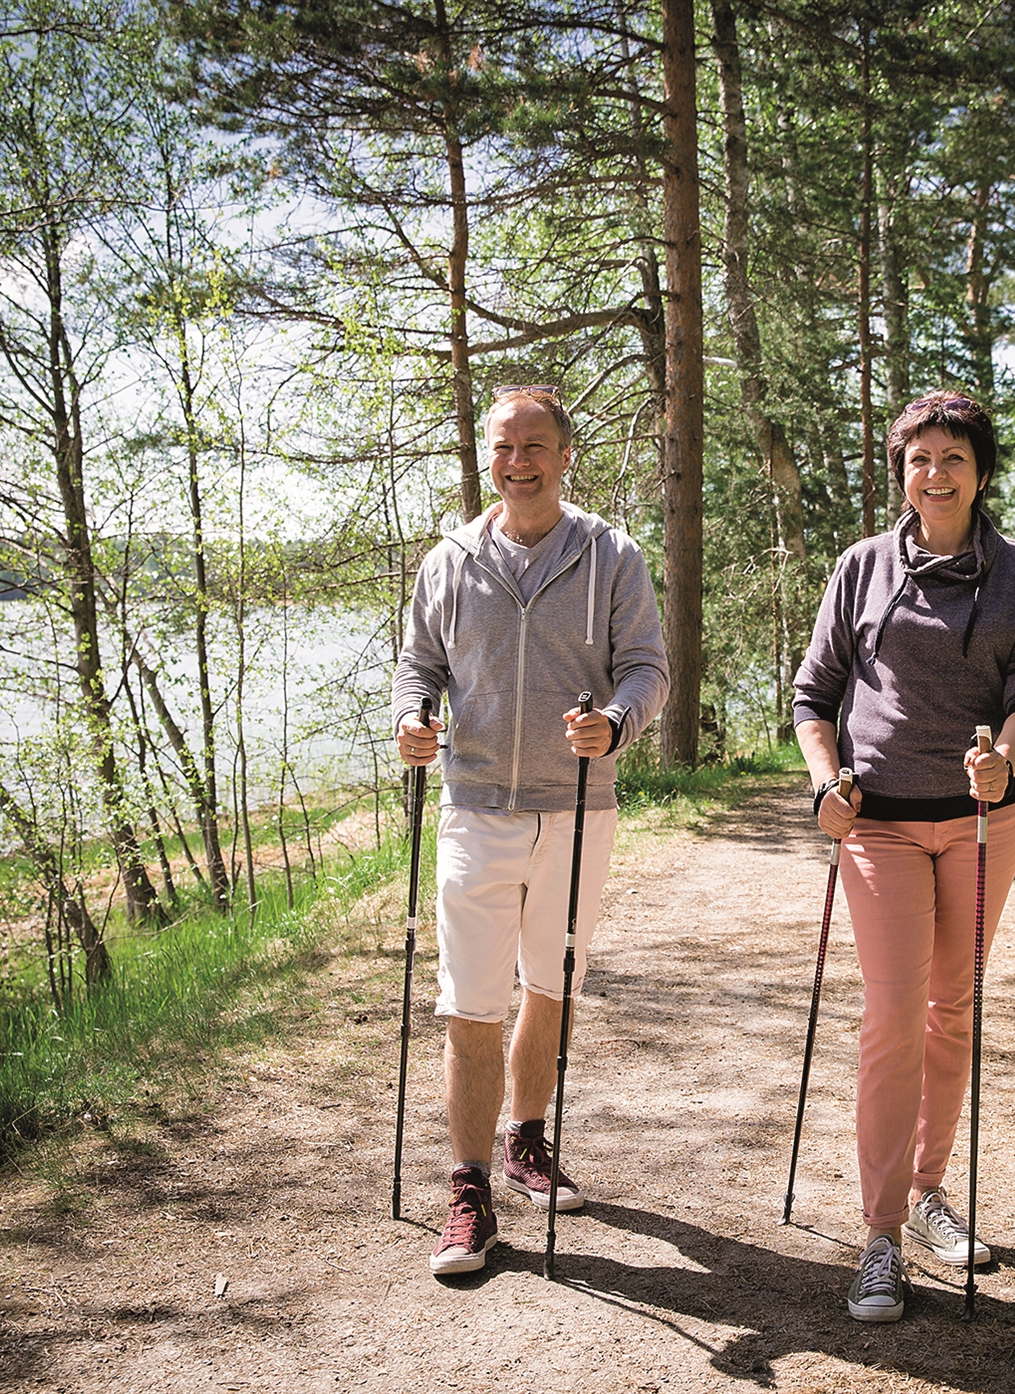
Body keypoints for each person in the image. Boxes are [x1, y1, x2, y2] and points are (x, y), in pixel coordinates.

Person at [792, 391, 1015, 1322]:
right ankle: (878, 1237)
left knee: (954, 1007)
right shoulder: (861, 567)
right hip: (879, 821)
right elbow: (814, 694)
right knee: (895, 1013)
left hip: (988, 818)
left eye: (952, 457)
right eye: (918, 459)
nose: (934, 474)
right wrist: (825, 781)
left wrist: (1007, 756)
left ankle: (928, 1193)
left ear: (981, 472)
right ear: (902, 473)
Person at [393, 385, 668, 1278]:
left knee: (549, 982)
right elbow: (419, 665)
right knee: (470, 1002)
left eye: (536, 445)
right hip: (474, 803)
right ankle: (468, 1190)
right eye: (505, 447)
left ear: (564, 454)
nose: (520, 462)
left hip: (577, 806)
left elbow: (646, 668)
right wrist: (413, 718)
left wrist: (618, 723)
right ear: (489, 456)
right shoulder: (451, 560)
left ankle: (528, 1139)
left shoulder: (611, 555)